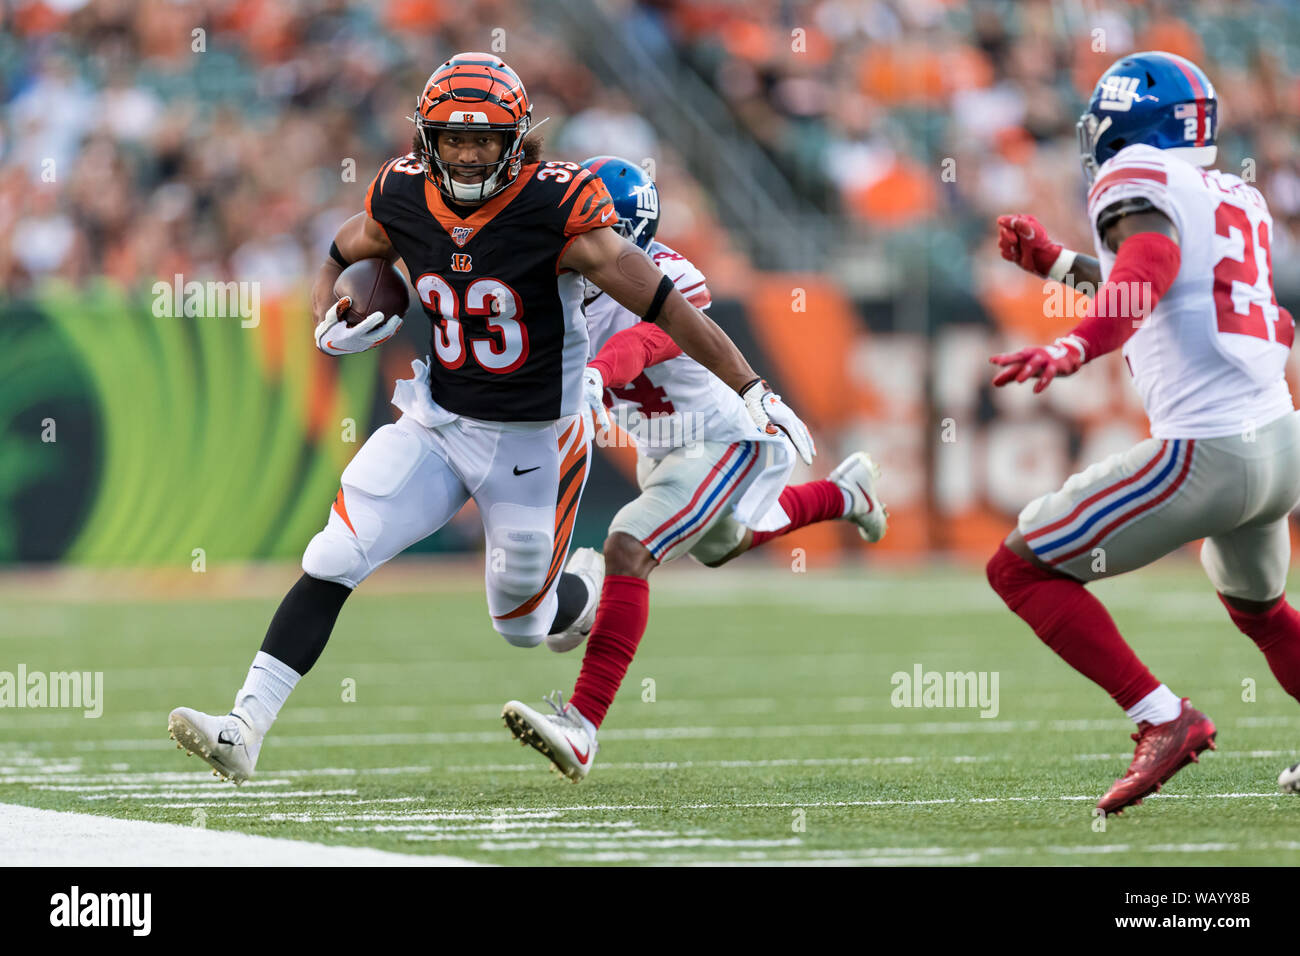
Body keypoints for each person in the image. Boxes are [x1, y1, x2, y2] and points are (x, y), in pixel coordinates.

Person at [166, 54, 812, 784]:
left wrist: (753, 388)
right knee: (335, 555)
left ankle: (584, 589)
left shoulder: (557, 206)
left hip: (535, 446)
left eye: (484, 140)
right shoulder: (403, 193)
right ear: (427, 140)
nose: (468, 155)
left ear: (516, 141)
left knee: (522, 626)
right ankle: (244, 726)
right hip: (438, 422)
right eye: (453, 139)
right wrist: (331, 311)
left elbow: (664, 304)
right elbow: (343, 247)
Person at [501, 156, 887, 781]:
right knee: (722, 541)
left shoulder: (670, 276)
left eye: (594, 230)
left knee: (629, 545)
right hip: (663, 448)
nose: (578, 244)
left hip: (724, 439)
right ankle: (846, 495)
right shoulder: (554, 285)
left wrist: (599, 373)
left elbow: (648, 341)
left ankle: (582, 727)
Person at [986, 51, 1300, 814]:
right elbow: (1165, 281)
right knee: (1261, 610)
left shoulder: (1137, 179)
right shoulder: (1236, 195)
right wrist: (1061, 265)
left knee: (1020, 569)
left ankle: (1163, 717)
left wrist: (1071, 345)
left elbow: (1151, 264)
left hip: (1206, 451)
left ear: (1133, 123)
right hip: (1279, 445)